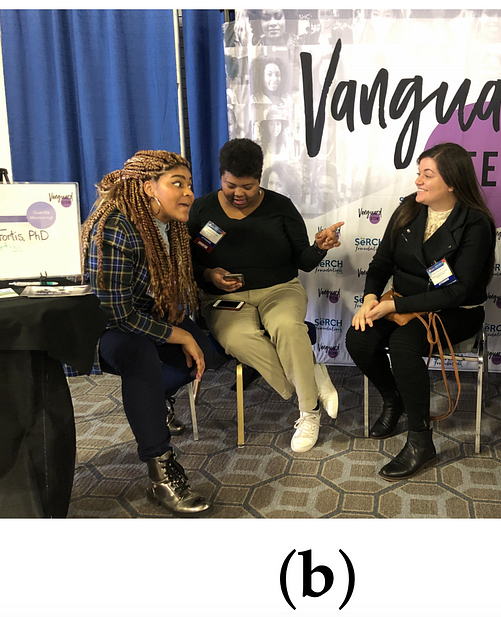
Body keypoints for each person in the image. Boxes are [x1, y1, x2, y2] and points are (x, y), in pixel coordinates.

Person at [345, 142, 496, 480]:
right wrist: (371, 298)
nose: (418, 182)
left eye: (427, 175)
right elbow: (381, 262)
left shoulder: (476, 224)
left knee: (402, 345)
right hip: (399, 302)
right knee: (359, 339)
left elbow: (457, 292)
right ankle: (393, 399)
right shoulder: (408, 209)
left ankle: (420, 441)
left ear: (452, 182)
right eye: (418, 173)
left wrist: (392, 306)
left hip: (454, 311)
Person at [80, 150, 217, 516]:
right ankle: (161, 472)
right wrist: (180, 336)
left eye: (189, 184)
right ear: (147, 187)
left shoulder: (169, 223)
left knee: (210, 354)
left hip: (148, 317)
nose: (188, 192)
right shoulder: (113, 227)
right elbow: (116, 313)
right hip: (104, 328)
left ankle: (159, 400)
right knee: (142, 358)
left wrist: (186, 331)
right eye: (177, 184)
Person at [187, 139, 343, 453]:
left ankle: (308, 413)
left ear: (260, 179)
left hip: (279, 289)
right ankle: (311, 380)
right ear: (221, 177)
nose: (239, 194)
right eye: (231, 185)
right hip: (224, 298)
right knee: (239, 339)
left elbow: (304, 261)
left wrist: (320, 248)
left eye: (248, 186)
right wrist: (209, 274)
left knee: (288, 328)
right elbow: (188, 261)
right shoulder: (203, 208)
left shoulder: (280, 207)